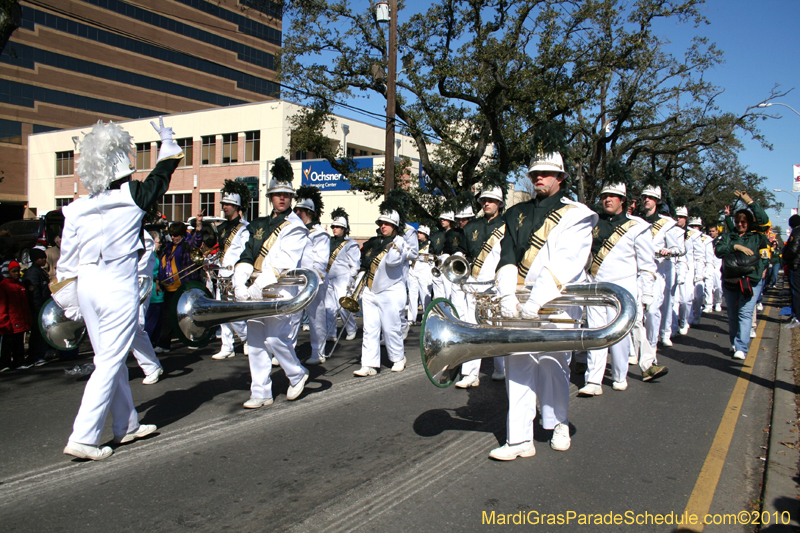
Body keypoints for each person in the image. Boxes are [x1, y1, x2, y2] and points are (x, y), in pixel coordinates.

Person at [55, 117, 183, 460]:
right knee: (110, 362)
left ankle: (125, 425)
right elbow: (162, 174)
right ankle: (83, 436)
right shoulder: (131, 195)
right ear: (122, 168)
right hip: (116, 286)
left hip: (85, 286)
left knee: (106, 356)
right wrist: (167, 141)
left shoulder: (76, 208)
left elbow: (65, 264)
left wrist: (69, 303)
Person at [490, 151, 597, 461]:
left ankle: (558, 423)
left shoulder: (576, 213)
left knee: (554, 366)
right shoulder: (516, 212)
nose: (539, 177)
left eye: (547, 173)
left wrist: (537, 300)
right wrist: (508, 294)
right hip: (519, 298)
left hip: (557, 302)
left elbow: (567, 262)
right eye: (535, 172)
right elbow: (507, 254)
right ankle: (519, 439)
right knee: (517, 367)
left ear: (561, 178)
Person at [233, 157, 310, 408]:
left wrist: (254, 288)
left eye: (286, 195)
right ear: (270, 197)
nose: (281, 198)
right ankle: (261, 392)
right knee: (255, 342)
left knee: (275, 339)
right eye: (277, 194)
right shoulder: (258, 225)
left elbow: (282, 264)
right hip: (254, 289)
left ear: (291, 198)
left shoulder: (295, 227)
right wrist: (239, 283)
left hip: (279, 290)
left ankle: (297, 373)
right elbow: (247, 255)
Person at [579, 183, 663, 396]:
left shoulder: (637, 226)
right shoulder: (593, 222)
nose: (608, 199)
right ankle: (594, 380)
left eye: (613, 196)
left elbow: (647, 264)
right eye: (605, 196)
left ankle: (619, 375)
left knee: (619, 336)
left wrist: (646, 293)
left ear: (623, 200)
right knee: (595, 333)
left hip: (623, 288)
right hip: (595, 285)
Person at [456, 185, 507, 387]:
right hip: (472, 283)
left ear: (500, 204)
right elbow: (462, 250)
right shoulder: (470, 227)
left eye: (492, 200)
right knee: (472, 327)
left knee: (497, 329)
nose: (487, 203)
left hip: (496, 284)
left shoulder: (508, 225)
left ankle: (500, 367)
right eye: (484, 200)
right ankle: (470, 374)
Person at [353, 200, 410, 377]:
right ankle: (369, 364)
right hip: (371, 290)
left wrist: (397, 242)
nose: (383, 226)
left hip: (391, 290)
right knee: (369, 328)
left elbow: (393, 261)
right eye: (382, 223)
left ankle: (398, 358)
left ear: (395, 227)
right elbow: (364, 263)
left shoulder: (401, 243)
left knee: (390, 327)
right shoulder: (373, 243)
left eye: (388, 224)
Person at [714, 197, 770, 360]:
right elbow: (719, 250)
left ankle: (741, 346)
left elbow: (765, 254)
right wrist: (735, 246)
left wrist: (751, 203)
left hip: (750, 280)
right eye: (738, 221)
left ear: (750, 222)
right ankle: (734, 342)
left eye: (744, 222)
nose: (740, 224)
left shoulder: (758, 237)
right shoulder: (729, 236)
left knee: (745, 313)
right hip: (730, 280)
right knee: (732, 313)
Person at [205, 180, 251, 360]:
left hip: (234, 274)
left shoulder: (244, 228)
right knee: (221, 312)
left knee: (233, 312)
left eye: (228, 205)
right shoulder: (223, 228)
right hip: (221, 274)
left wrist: (238, 272)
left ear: (237, 207)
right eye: (224, 204)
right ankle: (227, 346)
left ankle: (247, 338)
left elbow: (243, 252)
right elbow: (223, 251)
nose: (224, 207)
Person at [291, 186, 330, 365]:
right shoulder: (294, 231)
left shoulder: (319, 234)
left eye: (301, 211)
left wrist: (312, 282)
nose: (297, 213)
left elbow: (321, 261)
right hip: (294, 280)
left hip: (312, 281)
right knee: (291, 318)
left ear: (310, 213)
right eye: (296, 210)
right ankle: (287, 351)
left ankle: (318, 351)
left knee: (316, 319)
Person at [155, 221, 202, 353]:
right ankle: (164, 344)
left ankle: (194, 339)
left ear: (182, 235)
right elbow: (162, 265)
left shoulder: (187, 245)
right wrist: (158, 281)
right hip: (170, 287)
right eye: (172, 235)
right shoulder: (168, 248)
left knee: (190, 315)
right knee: (167, 317)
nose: (174, 238)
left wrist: (198, 226)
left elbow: (196, 243)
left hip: (183, 287)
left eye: (176, 235)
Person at [129, 229, 164, 385]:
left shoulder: (144, 237)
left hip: (137, 285)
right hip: (118, 284)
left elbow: (140, 267)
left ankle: (151, 366)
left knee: (134, 326)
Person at [324, 207, 361, 342]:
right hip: (329, 278)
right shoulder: (328, 241)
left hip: (343, 278)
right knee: (329, 307)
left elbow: (355, 266)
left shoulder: (350, 244)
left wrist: (350, 280)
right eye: (334, 226)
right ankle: (331, 332)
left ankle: (351, 329)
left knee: (343, 306)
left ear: (344, 229)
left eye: (338, 227)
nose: (335, 229)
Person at [0, 260, 33, 371]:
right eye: (14, 271)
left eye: (18, 271)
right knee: (7, 343)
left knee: (19, 342)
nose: (17, 273)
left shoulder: (20, 285)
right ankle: (5, 363)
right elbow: (2, 306)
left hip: (20, 319)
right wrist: (4, 321)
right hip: (10, 320)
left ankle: (19, 361)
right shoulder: (3, 286)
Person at [24, 248, 51, 366]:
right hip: (37, 308)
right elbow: (34, 293)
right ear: (35, 259)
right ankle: (35, 356)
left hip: (43, 306)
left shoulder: (41, 272)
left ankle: (41, 353)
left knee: (42, 332)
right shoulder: (32, 273)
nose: (44, 260)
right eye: (42, 258)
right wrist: (38, 308)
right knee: (37, 332)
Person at [407, 225, 433, 325]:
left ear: (426, 235)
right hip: (413, 270)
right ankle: (411, 318)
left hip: (425, 271)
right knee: (412, 295)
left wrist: (420, 257)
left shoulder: (430, 244)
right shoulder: (414, 244)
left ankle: (426, 317)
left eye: (421, 233)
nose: (419, 234)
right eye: (418, 232)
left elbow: (432, 257)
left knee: (425, 295)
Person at [686, 216, 709, 326]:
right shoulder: (684, 234)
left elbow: (701, 256)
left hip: (698, 268)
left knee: (698, 296)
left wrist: (700, 273)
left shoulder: (702, 238)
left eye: (697, 226)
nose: (695, 228)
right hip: (686, 268)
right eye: (692, 226)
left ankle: (697, 315)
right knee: (687, 297)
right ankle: (687, 319)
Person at [704, 225, 724, 313]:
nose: (711, 233)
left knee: (718, 287)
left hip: (718, 265)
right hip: (709, 264)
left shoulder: (721, 240)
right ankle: (708, 304)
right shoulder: (706, 240)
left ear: (717, 231)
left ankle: (718, 302)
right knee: (708, 286)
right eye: (710, 231)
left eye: (713, 231)